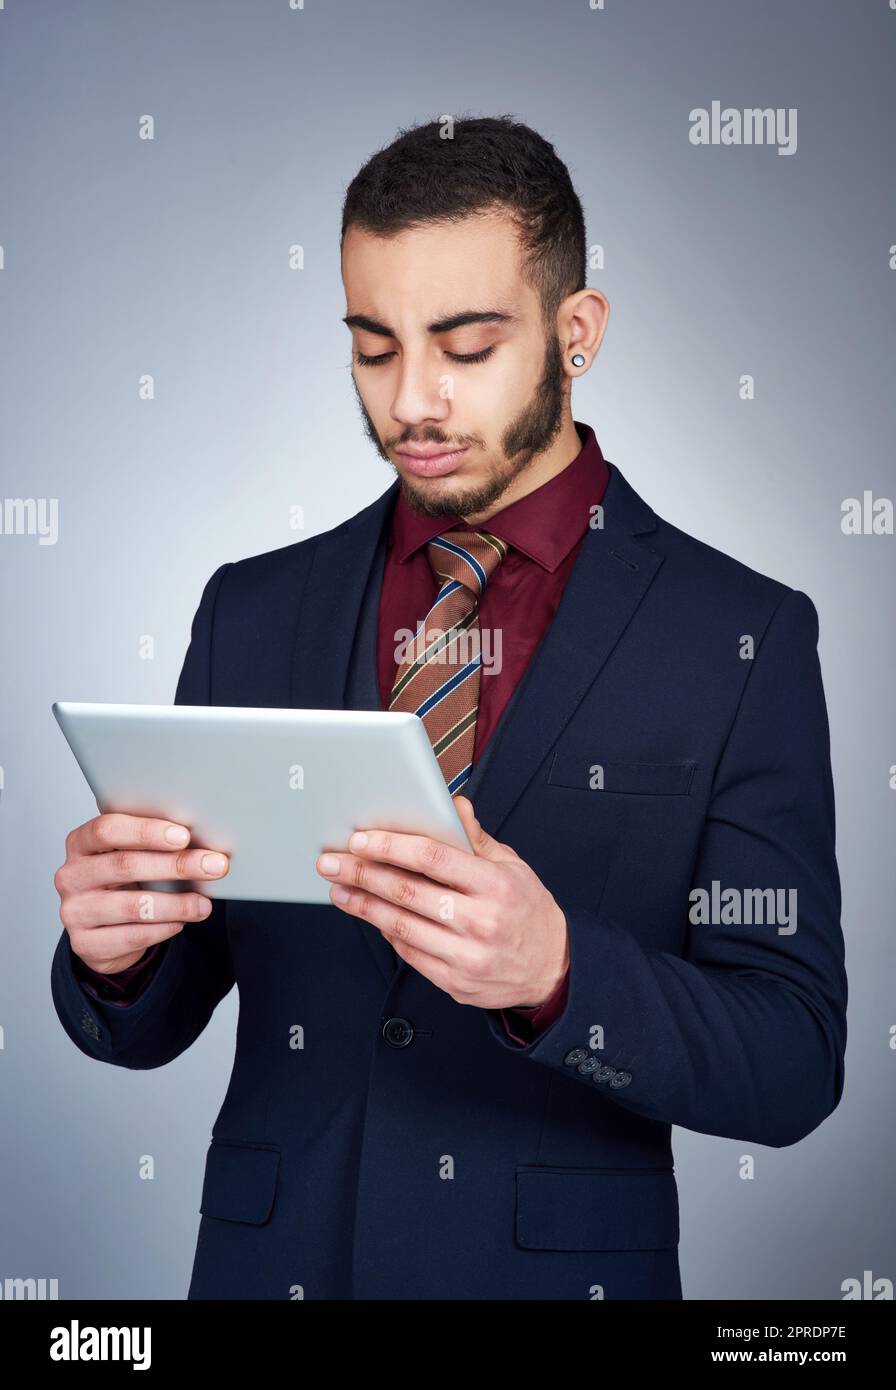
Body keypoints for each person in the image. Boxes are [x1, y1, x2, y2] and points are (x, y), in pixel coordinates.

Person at [51, 116, 847, 1301]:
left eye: (464, 346)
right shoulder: (249, 610)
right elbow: (160, 1009)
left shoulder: (740, 636)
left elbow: (790, 1061)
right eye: (372, 347)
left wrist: (559, 968)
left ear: (574, 336)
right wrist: (113, 959)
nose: (411, 401)